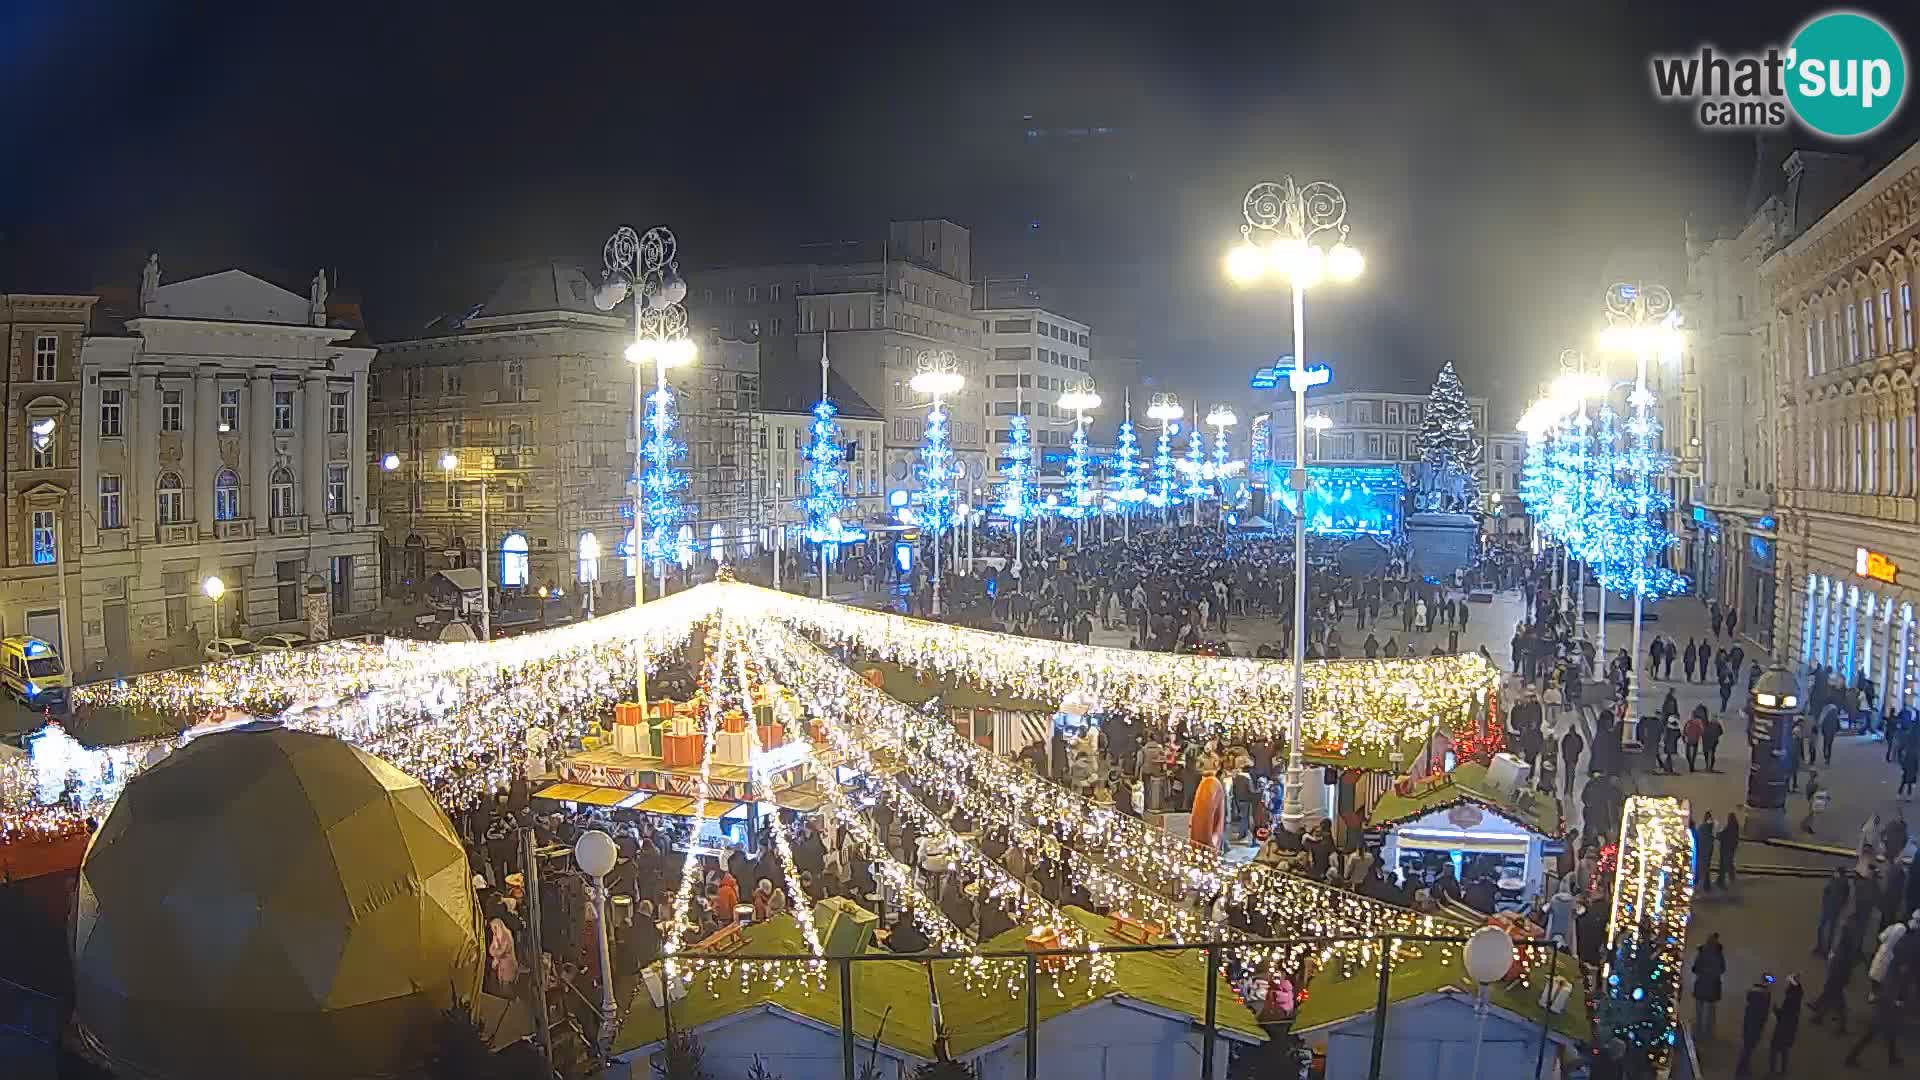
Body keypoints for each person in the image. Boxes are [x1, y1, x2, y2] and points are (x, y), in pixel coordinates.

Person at [1809, 915, 1865, 1033]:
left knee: (1836, 999)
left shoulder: (1846, 946)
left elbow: (1844, 963)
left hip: (1838, 974)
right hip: (1838, 973)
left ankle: (1835, 1022)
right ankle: (1819, 1012)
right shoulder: (1848, 944)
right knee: (1833, 995)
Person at [1735, 975, 1772, 1077]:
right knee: (1748, 1050)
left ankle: (1742, 1069)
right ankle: (1742, 1070)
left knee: (1746, 1049)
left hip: (1748, 1026)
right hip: (1755, 1028)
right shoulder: (1765, 997)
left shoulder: (1752, 995)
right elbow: (1764, 1016)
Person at [1693, 933, 1727, 1039]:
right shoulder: (1718, 953)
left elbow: (1695, 968)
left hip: (1702, 984)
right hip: (1712, 986)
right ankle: (1707, 1033)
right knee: (1709, 1012)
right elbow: (1722, 969)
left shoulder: (1702, 952)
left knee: (1700, 1011)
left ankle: (1699, 1032)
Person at [1768, 974, 1803, 1074]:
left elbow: (1784, 1016)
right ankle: (1783, 1071)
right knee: (1784, 1050)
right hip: (1790, 1029)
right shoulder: (1797, 999)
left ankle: (1772, 1072)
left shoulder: (1790, 1001)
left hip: (1782, 1029)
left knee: (1774, 1050)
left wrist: (1776, 1011)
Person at [1816, 866, 1852, 957]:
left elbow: (1828, 892)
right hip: (1830, 909)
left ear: (1839, 873)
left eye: (1836, 872)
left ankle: (1822, 948)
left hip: (1831, 909)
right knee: (1827, 930)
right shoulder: (1840, 882)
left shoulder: (1841, 883)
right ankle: (1824, 949)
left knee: (1824, 929)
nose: (1834, 873)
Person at [1695, 812, 1717, 891]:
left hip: (1701, 852)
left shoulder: (1702, 828)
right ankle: (1706, 886)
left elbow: (1698, 838)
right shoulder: (1710, 828)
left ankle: (1698, 884)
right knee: (1705, 869)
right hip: (1706, 853)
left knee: (1699, 869)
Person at [1718, 812, 1741, 889]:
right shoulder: (1735, 827)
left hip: (1726, 849)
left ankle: (1723, 881)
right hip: (1730, 849)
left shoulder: (1729, 828)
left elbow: (1722, 835)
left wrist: (1718, 835)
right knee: (1729, 864)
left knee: (1725, 864)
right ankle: (1731, 879)